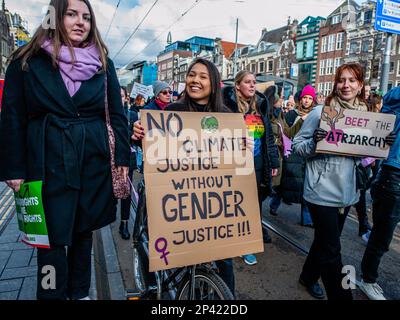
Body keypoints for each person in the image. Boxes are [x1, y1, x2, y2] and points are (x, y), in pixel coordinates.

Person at [0, 0, 130, 300]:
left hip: (92, 161)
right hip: (46, 161)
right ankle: (51, 293)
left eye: (86, 17)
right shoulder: (26, 59)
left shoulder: (103, 62)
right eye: (71, 14)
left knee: (84, 232)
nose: (80, 22)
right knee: (51, 240)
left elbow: (117, 113)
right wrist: (13, 168)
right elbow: (13, 116)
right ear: (54, 17)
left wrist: (122, 155)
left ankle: (80, 292)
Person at [133, 58, 236, 297]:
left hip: (212, 200)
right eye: (192, 74)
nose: (195, 80)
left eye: (202, 76)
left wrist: (244, 145)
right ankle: (154, 287)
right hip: (180, 198)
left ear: (214, 82)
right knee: (169, 252)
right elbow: (154, 151)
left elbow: (234, 158)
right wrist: (139, 135)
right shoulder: (171, 112)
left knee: (225, 260)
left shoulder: (226, 115)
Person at [292, 63, 370, 300]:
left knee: (325, 241)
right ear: (336, 84)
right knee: (332, 250)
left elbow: (364, 155)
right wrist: (316, 145)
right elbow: (297, 146)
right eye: (341, 80)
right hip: (321, 192)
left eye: (352, 80)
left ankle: (307, 277)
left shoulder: (365, 117)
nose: (346, 85)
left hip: (347, 194)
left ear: (360, 86)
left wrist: (379, 145)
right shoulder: (320, 113)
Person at [222, 70, 279, 265]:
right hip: (234, 165)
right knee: (233, 204)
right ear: (238, 85)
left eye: (254, 82)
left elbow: (268, 138)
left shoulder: (260, 105)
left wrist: (273, 161)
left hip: (257, 164)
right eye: (248, 82)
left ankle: (247, 245)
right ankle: (230, 241)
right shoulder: (226, 106)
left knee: (253, 206)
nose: (252, 85)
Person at [358, 88, 398, 300]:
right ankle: (368, 279)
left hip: (392, 174)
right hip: (394, 175)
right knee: (382, 234)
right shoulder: (395, 103)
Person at [280, 85, 317, 228]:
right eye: (305, 98)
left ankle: (306, 218)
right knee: (286, 183)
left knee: (306, 186)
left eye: (310, 98)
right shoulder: (291, 114)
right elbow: (286, 133)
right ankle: (274, 203)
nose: (307, 101)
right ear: (300, 99)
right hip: (292, 153)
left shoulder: (315, 115)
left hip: (307, 154)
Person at [119, 86, 139, 240]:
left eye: (121, 96)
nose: (119, 99)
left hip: (127, 160)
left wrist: (135, 136)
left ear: (126, 98)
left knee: (126, 194)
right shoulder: (104, 116)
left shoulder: (132, 115)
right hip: (109, 162)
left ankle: (124, 223)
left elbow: (138, 140)